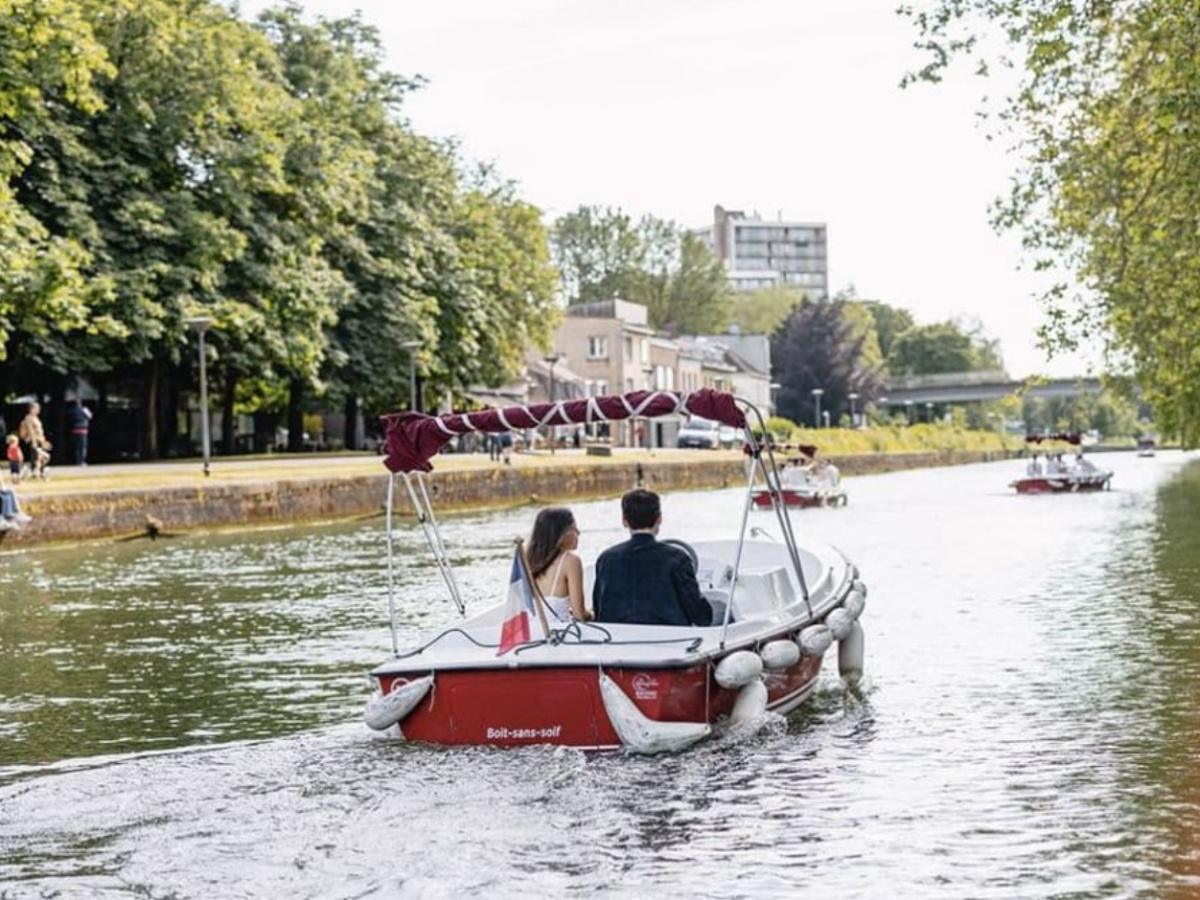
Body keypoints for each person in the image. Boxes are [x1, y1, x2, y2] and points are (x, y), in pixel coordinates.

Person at [592, 489, 714, 627]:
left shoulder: (606, 560)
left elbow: (599, 610)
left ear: (624, 521)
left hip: (617, 641)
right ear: (659, 518)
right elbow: (701, 616)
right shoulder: (678, 559)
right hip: (671, 640)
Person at [526, 507, 589, 622]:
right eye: (574, 528)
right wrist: (592, 614)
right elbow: (579, 615)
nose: (578, 533)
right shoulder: (571, 561)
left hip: (532, 635)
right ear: (561, 534)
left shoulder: (527, 561)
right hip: (560, 635)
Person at [18, 402, 48, 479]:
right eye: (36, 408)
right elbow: (31, 430)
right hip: (32, 441)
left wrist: (43, 441)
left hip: (38, 441)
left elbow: (40, 431)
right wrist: (34, 442)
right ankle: (35, 473)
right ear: (31, 409)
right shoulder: (29, 418)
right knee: (40, 457)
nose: (38, 410)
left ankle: (36, 473)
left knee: (37, 458)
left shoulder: (36, 418)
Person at [67, 399, 93, 466]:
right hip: (83, 431)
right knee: (83, 447)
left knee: (76, 447)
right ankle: (82, 461)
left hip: (74, 430)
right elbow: (90, 416)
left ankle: (77, 461)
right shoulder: (84, 410)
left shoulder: (71, 411)